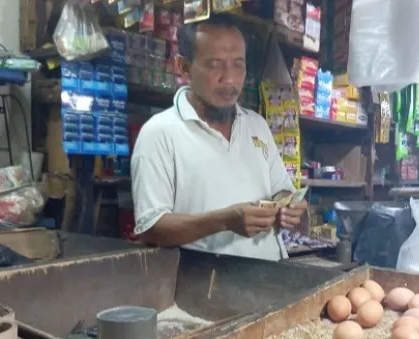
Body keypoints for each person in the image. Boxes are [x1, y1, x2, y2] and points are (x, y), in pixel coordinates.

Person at [130, 13, 307, 261]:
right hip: (206, 288)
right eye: (215, 64)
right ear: (183, 67)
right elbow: (150, 229)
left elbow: (281, 189)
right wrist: (224, 220)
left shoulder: (256, 125)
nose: (230, 78)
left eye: (238, 64)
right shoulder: (159, 133)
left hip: (270, 278)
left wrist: (287, 207)